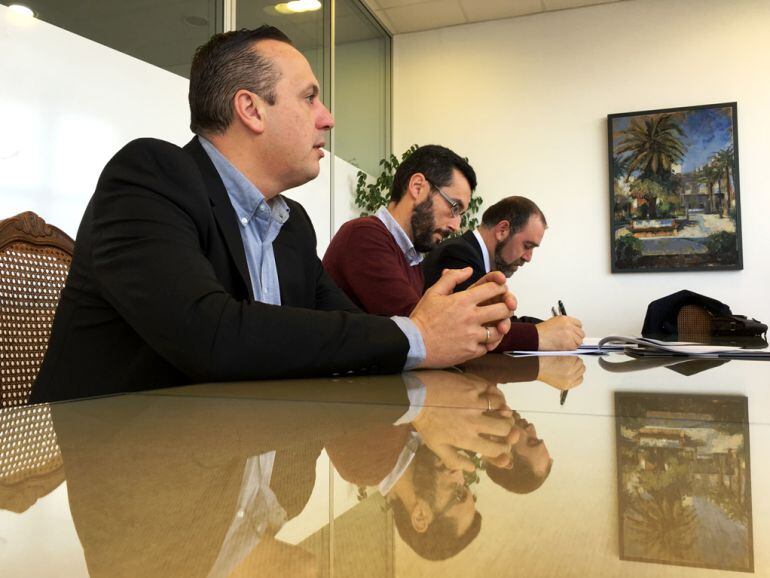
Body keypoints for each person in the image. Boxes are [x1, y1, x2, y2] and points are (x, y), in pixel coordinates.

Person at [30, 26, 517, 403]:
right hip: (124, 482)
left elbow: (352, 333)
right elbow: (209, 334)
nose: (327, 117)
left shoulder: (293, 225)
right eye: (309, 97)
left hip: (239, 480)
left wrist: (455, 328)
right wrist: (419, 335)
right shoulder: (150, 177)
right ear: (251, 109)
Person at [323, 144, 475, 316]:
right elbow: (417, 328)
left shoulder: (411, 259)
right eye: (455, 207)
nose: (456, 226)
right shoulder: (363, 236)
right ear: (417, 187)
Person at [423, 196, 585, 351]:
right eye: (527, 246)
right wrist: (544, 333)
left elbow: (500, 323)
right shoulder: (458, 254)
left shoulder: (470, 253)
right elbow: (479, 329)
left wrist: (556, 328)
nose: (528, 258)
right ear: (502, 230)